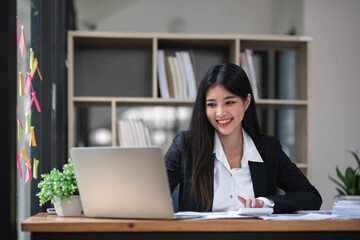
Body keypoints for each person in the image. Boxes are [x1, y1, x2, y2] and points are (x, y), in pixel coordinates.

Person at [164, 63, 322, 213]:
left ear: (246, 102)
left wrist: (266, 203)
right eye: (212, 104)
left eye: (229, 102)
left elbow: (311, 196)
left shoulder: (268, 149)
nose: (220, 113)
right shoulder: (185, 146)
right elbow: (151, 195)